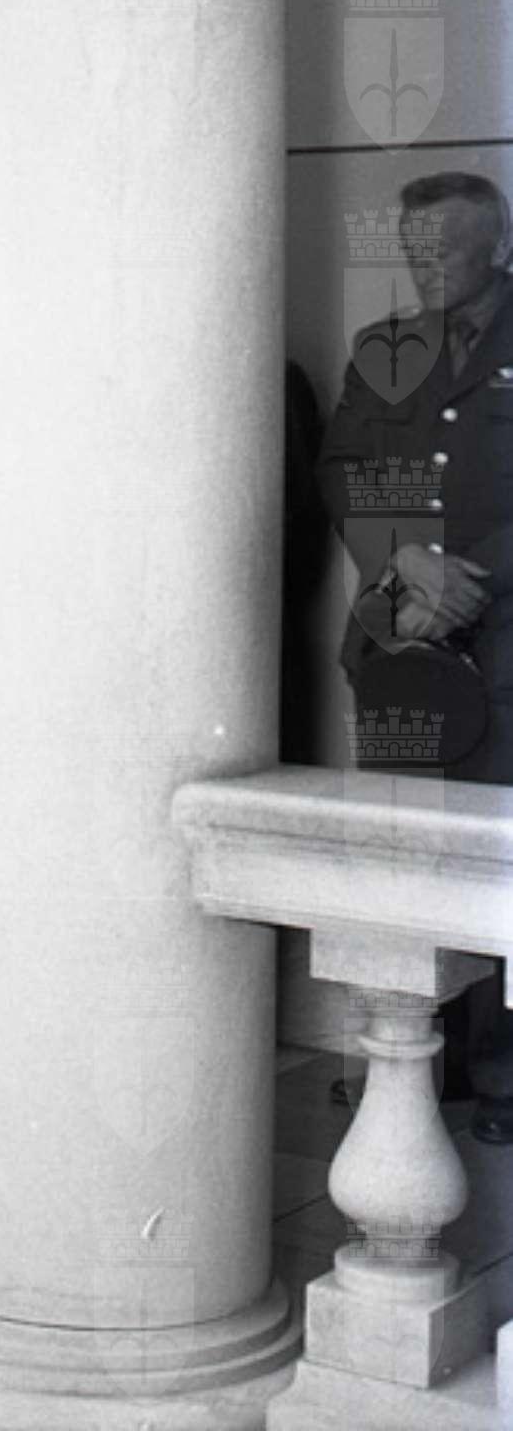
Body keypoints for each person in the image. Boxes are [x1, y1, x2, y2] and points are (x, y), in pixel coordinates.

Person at [318, 170, 513, 1142]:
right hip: (399, 643)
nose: (421, 266)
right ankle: (412, 1062)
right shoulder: (382, 349)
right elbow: (344, 467)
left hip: (503, 643)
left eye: (441, 249)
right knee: (406, 852)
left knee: (499, 862)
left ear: (498, 248)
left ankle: (504, 1076)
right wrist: (405, 556)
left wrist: (476, 576)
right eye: (410, 250)